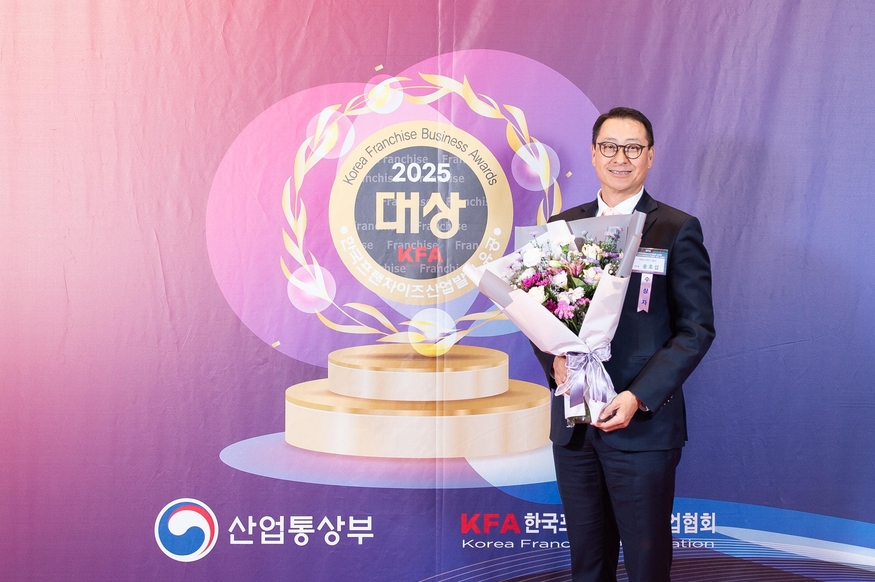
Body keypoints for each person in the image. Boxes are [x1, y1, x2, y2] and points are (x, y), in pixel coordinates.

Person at [533, 107, 715, 582]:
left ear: (650, 156)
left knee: (646, 565)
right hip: (575, 428)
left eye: (633, 148)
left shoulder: (675, 228)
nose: (621, 158)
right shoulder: (561, 226)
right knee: (588, 564)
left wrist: (638, 396)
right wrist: (554, 361)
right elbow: (539, 311)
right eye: (610, 147)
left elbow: (696, 329)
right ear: (594, 154)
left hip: (641, 428)